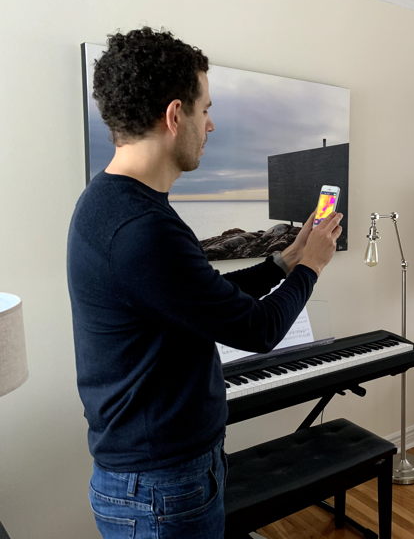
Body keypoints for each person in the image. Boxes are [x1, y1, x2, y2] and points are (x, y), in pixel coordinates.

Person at [67, 27, 342, 539]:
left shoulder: (110, 202)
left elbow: (208, 297)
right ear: (175, 116)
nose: (210, 125)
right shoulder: (142, 229)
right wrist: (315, 266)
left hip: (154, 475)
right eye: (205, 109)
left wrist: (286, 259)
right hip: (160, 489)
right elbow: (256, 329)